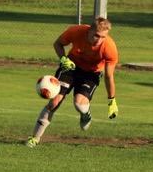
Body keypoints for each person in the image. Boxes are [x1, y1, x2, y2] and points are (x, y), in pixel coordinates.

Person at [26, 16, 119, 147]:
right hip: (71, 67)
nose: (99, 40)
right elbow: (58, 43)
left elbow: (109, 76)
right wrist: (63, 59)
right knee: (54, 102)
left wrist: (111, 100)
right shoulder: (76, 31)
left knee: (79, 104)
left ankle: (85, 114)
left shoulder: (110, 47)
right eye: (96, 36)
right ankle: (35, 138)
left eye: (103, 37)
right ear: (89, 31)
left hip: (91, 74)